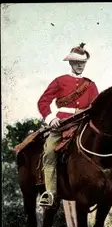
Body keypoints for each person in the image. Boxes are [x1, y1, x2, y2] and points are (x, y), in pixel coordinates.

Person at [37, 43, 99, 207]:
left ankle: (111, 188)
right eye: (77, 62)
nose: (80, 65)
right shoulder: (59, 81)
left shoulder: (91, 85)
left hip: (83, 124)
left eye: (83, 62)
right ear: (71, 63)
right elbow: (43, 102)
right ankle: (49, 193)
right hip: (62, 124)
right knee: (49, 151)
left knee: (104, 148)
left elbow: (97, 107)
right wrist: (51, 119)